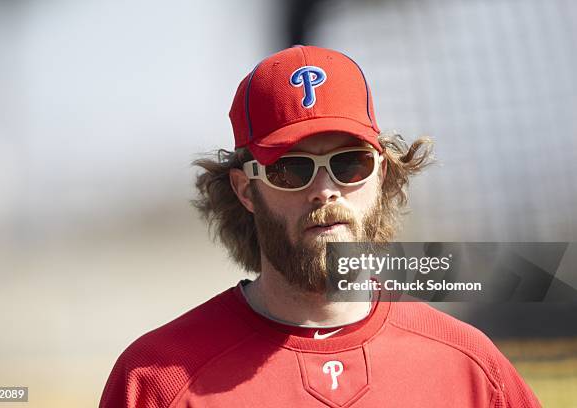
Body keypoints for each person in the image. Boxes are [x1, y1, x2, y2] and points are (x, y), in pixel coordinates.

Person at [99, 45, 541, 407]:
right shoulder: (155, 380)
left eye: (350, 164)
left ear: (381, 176)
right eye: (291, 169)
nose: (325, 190)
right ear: (244, 190)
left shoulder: (471, 367)